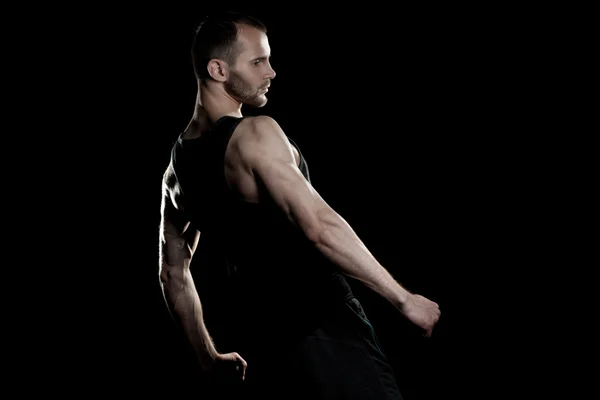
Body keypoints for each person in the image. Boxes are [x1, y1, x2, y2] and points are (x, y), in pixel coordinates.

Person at [158, 10, 441, 399]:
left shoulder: (176, 169)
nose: (270, 72)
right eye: (258, 61)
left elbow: (172, 273)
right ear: (218, 69)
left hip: (266, 349)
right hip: (322, 328)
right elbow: (318, 226)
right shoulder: (256, 134)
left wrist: (207, 357)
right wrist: (404, 299)